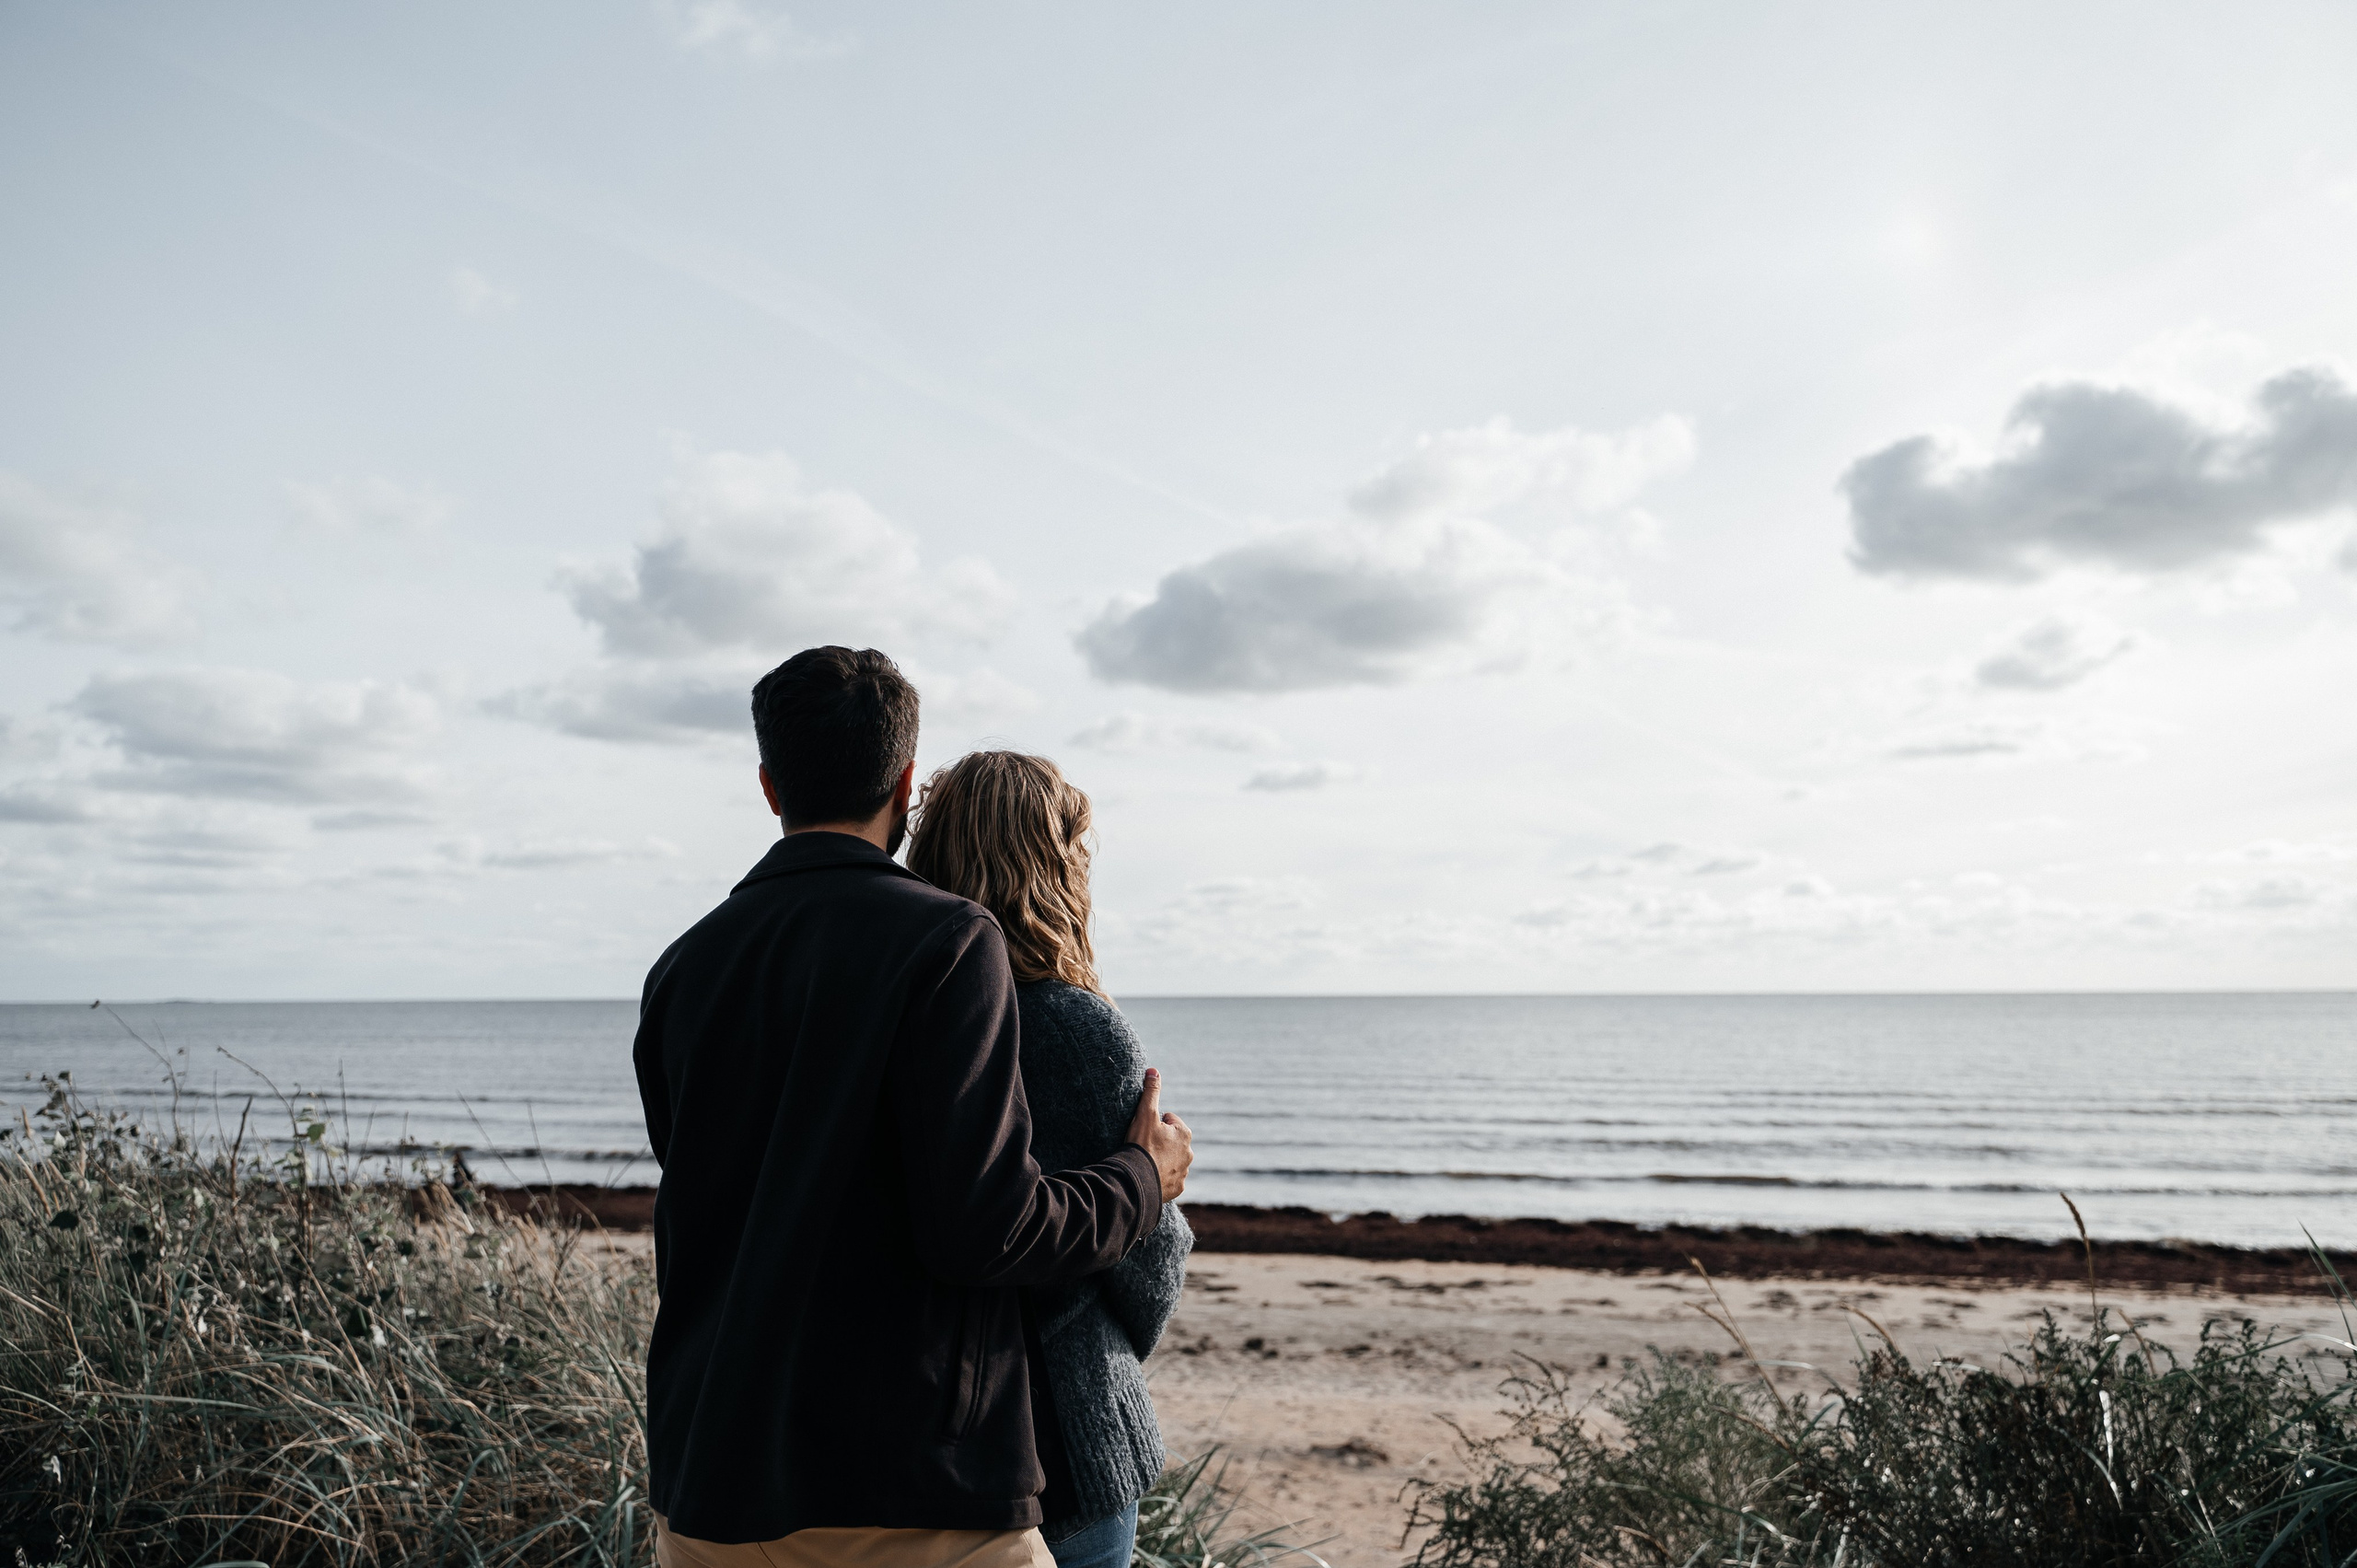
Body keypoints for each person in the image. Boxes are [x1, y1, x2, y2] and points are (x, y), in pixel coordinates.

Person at [633, 646, 1193, 1568]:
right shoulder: (949, 941)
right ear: (903, 782)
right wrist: (1144, 1176)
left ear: (769, 786)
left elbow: (712, 1203)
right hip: (912, 1490)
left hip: (710, 1474)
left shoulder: (682, 967)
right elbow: (987, 1227)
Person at [906, 752, 1193, 1568]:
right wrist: (1157, 1181)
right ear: (1056, 864)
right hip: (1064, 1434)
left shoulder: (907, 1019)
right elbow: (1147, 1263)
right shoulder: (1075, 1026)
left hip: (926, 1435)